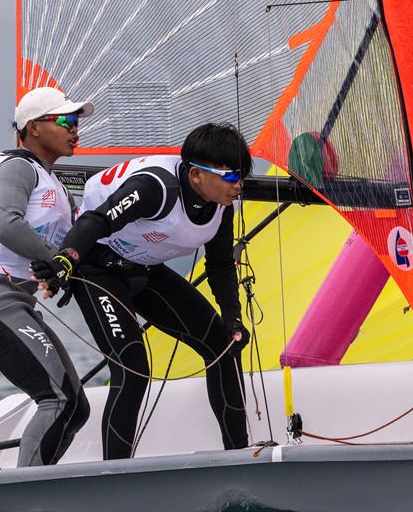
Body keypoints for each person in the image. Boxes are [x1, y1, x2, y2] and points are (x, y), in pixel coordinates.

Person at [31, 123, 253, 460]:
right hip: (97, 267)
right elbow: (95, 221)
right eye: (231, 176)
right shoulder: (155, 188)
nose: (239, 185)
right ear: (196, 175)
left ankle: (240, 457)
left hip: (144, 269)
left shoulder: (221, 208)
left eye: (242, 176)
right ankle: (115, 475)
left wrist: (233, 318)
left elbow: (220, 265)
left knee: (221, 345)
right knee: (133, 368)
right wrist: (66, 260)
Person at [0, 86, 93, 467]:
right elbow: (6, 226)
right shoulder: (17, 166)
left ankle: (38, 485)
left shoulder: (51, 180)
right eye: (66, 120)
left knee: (76, 407)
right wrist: (53, 259)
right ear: (33, 128)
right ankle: (27, 493)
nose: (75, 129)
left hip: (17, 303)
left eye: (77, 121)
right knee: (58, 399)